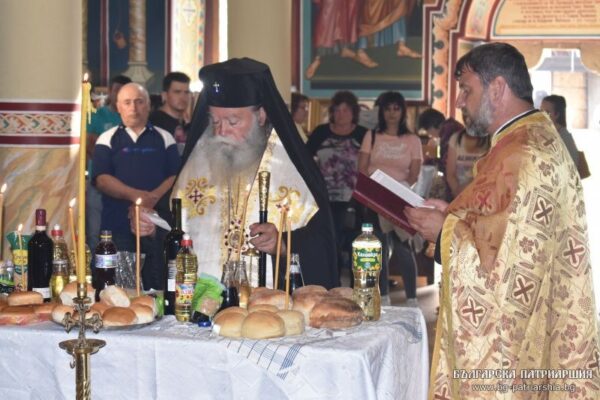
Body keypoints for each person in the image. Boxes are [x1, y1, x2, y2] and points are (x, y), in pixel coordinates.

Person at [404, 42, 600, 398]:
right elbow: (502, 222)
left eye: (466, 89)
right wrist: (451, 212)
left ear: (497, 88)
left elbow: (507, 266)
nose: (459, 101)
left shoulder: (523, 152)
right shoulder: (528, 138)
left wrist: (444, 231)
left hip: (512, 355)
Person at [137, 58, 338, 289]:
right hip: (199, 302)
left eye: (233, 121)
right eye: (214, 121)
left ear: (261, 115)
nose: (221, 131)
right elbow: (175, 230)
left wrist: (282, 245)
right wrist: (151, 227)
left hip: (266, 306)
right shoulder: (197, 162)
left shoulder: (291, 168)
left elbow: (322, 245)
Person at [92, 83, 181, 290]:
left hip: (156, 226)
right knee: (116, 284)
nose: (133, 107)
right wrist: (137, 196)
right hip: (117, 225)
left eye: (139, 102)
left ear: (148, 105)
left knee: (156, 281)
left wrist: (153, 198)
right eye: (127, 102)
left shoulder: (164, 137)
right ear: (118, 107)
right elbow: (101, 179)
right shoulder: (107, 138)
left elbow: (175, 175)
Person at [358, 91, 422, 305]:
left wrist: (397, 191)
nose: (392, 113)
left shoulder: (412, 139)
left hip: (400, 199)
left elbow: (414, 174)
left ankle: (412, 298)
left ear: (403, 111)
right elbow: (362, 167)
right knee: (378, 247)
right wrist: (376, 192)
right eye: (387, 109)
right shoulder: (372, 135)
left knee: (404, 247)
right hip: (375, 199)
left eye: (396, 108)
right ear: (381, 112)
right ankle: (382, 295)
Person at [307, 91, 367, 275]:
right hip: (324, 198)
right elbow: (305, 160)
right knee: (329, 245)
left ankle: (357, 285)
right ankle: (332, 282)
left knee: (355, 245)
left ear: (354, 112)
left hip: (354, 200)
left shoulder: (363, 134)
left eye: (346, 110)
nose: (341, 114)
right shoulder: (321, 132)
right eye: (337, 110)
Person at [86, 74, 132, 256]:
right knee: (94, 231)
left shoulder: (132, 118)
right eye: (116, 90)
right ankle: (93, 268)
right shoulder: (98, 116)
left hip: (123, 184)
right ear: (110, 92)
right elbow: (91, 146)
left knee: (120, 234)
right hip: (98, 182)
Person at [149, 72, 192, 151]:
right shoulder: (154, 122)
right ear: (165, 95)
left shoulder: (186, 122)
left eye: (186, 92)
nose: (183, 97)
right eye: (177, 92)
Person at [445, 128, 490, 199]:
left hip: (482, 194)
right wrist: (457, 192)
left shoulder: (490, 140)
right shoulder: (456, 139)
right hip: (459, 194)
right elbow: (450, 174)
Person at [540, 94, 579, 166]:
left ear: (557, 115)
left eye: (547, 112)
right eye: (541, 111)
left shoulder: (564, 137)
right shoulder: (546, 133)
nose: (542, 115)